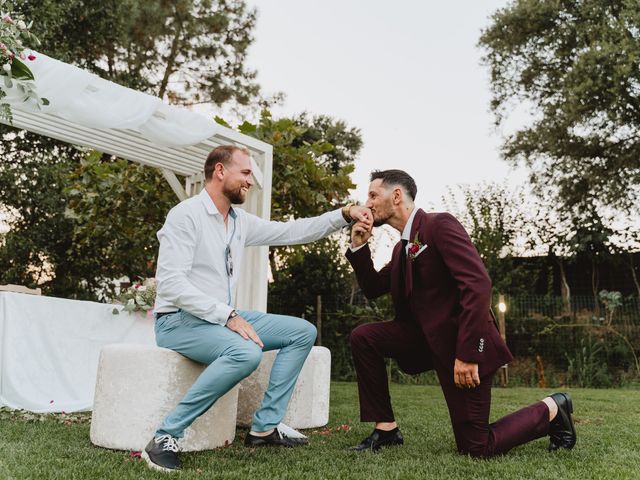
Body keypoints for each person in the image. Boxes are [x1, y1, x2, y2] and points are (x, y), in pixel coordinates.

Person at [142, 145, 372, 472]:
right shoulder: (185, 215)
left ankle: (264, 428)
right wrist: (229, 316)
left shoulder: (239, 221)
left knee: (302, 332)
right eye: (246, 172)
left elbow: (291, 231)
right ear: (220, 171)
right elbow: (171, 285)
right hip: (178, 322)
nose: (250, 181)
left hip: (219, 319)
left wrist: (344, 214)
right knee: (245, 354)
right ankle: (165, 436)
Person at [345, 169, 576, 457]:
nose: (366, 203)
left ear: (396, 196)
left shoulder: (438, 225)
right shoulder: (401, 249)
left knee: (476, 446)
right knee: (364, 337)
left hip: (461, 347)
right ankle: (387, 429)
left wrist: (468, 354)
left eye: (372, 195)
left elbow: (477, 284)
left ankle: (554, 409)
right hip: (426, 342)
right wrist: (358, 246)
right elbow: (373, 287)